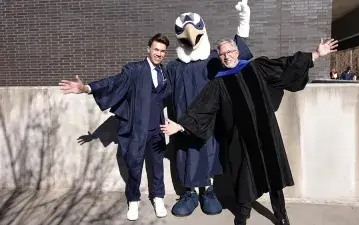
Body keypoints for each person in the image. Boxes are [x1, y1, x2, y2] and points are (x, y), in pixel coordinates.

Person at [161, 38, 338, 225]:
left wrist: (316, 54)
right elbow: (202, 109)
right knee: (242, 178)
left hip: (265, 133)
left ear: (237, 52)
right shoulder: (218, 83)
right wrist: (180, 126)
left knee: (274, 176)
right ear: (219, 58)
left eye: (229, 52)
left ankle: (281, 214)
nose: (226, 56)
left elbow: (284, 65)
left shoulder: (256, 67)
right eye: (222, 54)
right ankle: (243, 214)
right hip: (239, 140)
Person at [59, 33, 170, 221]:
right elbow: (112, 82)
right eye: (156, 49)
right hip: (137, 129)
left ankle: (158, 198)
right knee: (134, 167)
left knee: (157, 167)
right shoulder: (134, 70)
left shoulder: (164, 72)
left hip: (157, 130)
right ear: (148, 49)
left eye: (162, 51)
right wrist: (87, 88)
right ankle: (133, 201)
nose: (158, 54)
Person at [166, 0, 253, 217]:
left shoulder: (213, 61)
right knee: (187, 154)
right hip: (182, 124)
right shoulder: (174, 67)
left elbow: (235, 54)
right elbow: (157, 90)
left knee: (209, 153)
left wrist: (244, 20)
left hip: (210, 125)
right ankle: (189, 193)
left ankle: (209, 191)